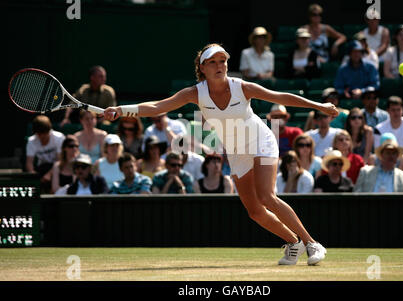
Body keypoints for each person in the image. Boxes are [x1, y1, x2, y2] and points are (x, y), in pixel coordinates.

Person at [103, 43, 339, 266]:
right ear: (202, 68)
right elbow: (158, 107)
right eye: (213, 61)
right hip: (236, 151)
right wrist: (122, 110)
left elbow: (280, 97)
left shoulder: (242, 87)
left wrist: (319, 106)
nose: (220, 65)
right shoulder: (195, 93)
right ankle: (293, 243)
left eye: (223, 61)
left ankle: (312, 243)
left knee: (266, 196)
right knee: (255, 211)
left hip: (261, 141)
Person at [26, 115, 65, 193]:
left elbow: (60, 161)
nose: (42, 136)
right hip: (41, 170)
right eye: (39, 134)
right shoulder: (31, 141)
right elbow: (29, 163)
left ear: (49, 131)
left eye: (45, 133)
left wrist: (49, 174)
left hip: (57, 169)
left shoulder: (59, 138)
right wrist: (34, 176)